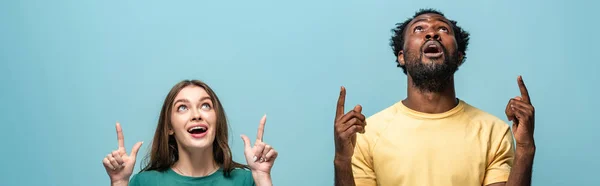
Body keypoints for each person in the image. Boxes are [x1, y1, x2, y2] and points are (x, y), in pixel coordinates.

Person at [333, 9, 536, 186]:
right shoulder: (367, 133)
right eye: (419, 29)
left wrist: (525, 149)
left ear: (459, 56)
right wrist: (342, 159)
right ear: (401, 56)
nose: (432, 33)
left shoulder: (494, 132)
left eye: (443, 29)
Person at [102, 80, 278, 186]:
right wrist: (118, 183)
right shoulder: (145, 182)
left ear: (216, 120)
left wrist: (263, 178)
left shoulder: (244, 181)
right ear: (169, 127)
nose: (196, 115)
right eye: (182, 107)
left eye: (205, 105)